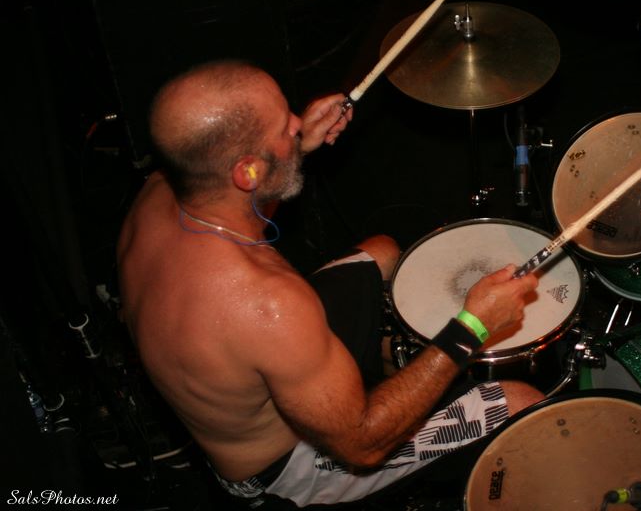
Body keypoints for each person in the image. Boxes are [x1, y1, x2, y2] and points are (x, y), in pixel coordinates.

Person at [116, 60, 543, 508]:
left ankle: (375, 371)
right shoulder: (269, 303)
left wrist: (295, 148)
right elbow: (363, 445)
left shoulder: (159, 192)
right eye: (284, 126)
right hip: (288, 469)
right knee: (519, 403)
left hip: (247, 346)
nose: (298, 123)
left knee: (381, 252)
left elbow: (245, 201)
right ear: (248, 171)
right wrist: (472, 327)